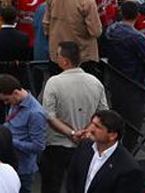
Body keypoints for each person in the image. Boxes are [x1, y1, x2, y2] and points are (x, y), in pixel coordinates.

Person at [39, 41, 108, 193]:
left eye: (57, 55)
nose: (55, 58)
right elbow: (103, 114)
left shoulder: (53, 83)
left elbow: (49, 116)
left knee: (51, 186)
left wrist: (72, 133)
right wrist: (86, 132)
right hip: (87, 144)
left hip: (57, 144)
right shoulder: (95, 82)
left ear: (65, 60)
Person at [102, 0, 145, 150]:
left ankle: (113, 149)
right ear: (138, 16)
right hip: (134, 83)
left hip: (115, 80)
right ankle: (127, 153)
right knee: (133, 124)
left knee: (117, 119)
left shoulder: (111, 29)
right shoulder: (137, 38)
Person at [66, 110, 145, 193]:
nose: (91, 129)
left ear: (112, 135)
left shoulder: (129, 169)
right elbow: (72, 180)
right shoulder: (85, 146)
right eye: (92, 123)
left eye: (97, 127)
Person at [43, 0, 102, 67]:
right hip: (81, 57)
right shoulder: (86, 0)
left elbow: (46, 23)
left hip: (57, 55)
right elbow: (95, 31)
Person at [0, 74, 47, 193]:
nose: (6, 103)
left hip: (23, 170)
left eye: (7, 100)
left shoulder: (35, 113)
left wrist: (11, 141)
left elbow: (38, 146)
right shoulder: (15, 103)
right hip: (10, 164)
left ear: (16, 93)